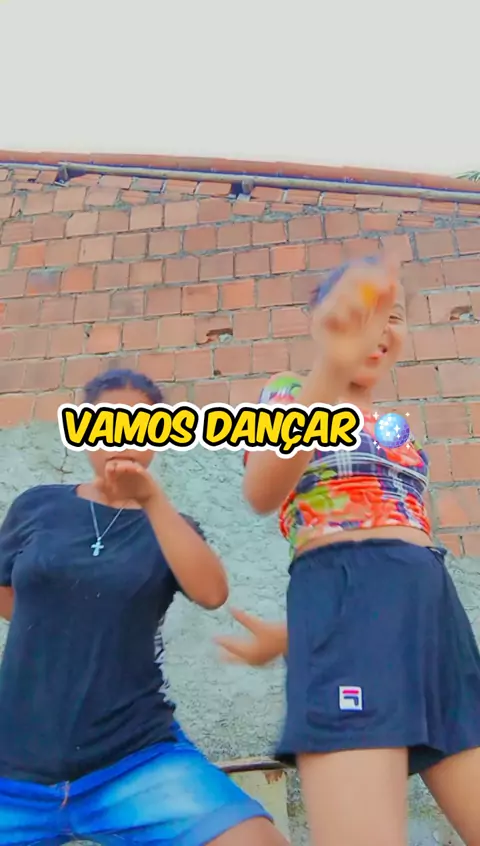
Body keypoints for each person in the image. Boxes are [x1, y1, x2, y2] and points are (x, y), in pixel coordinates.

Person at [215, 258, 480, 846]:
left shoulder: (395, 430)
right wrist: (331, 366)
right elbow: (262, 489)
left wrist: (294, 635)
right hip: (346, 610)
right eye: (360, 313)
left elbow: (396, 560)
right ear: (322, 320)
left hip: (435, 624)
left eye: (393, 317)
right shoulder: (288, 396)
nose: (377, 329)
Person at [0, 368, 288, 846]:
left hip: (134, 759)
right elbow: (6, 589)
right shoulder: (38, 506)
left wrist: (152, 501)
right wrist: (60, 623)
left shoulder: (172, 525)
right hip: (13, 768)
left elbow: (212, 593)